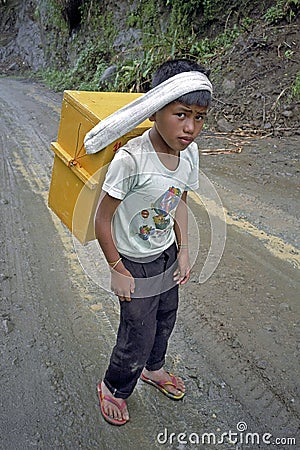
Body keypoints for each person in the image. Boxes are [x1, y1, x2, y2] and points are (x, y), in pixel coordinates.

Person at [95, 59, 212, 425]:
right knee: (137, 331)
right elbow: (102, 218)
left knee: (165, 318)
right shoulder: (131, 159)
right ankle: (113, 387)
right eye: (181, 114)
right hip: (133, 261)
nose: (190, 127)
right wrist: (117, 269)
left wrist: (184, 252)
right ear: (155, 109)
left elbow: (178, 199)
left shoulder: (189, 153)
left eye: (199, 117)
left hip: (165, 254)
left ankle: (153, 369)